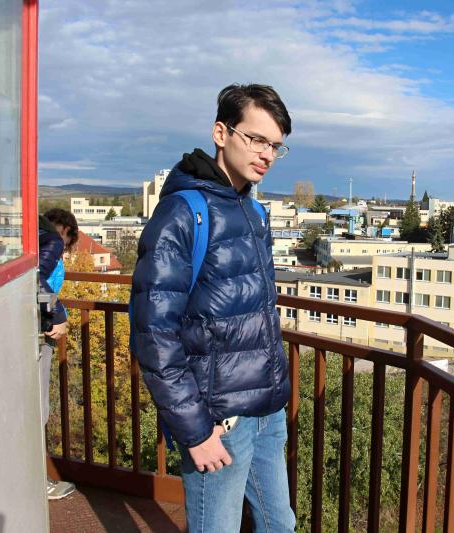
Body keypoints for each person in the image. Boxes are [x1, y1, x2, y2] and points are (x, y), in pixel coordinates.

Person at [130, 84, 296, 532]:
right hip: (218, 420)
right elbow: (153, 334)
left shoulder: (253, 211)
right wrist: (195, 430)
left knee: (280, 525)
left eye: (275, 146)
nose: (266, 155)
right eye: (256, 139)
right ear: (221, 133)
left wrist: (275, 398)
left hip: (266, 411)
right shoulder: (183, 214)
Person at [38, 208, 79, 500]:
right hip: (40, 333)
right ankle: (36, 481)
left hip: (36, 331)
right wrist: (57, 314)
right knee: (37, 408)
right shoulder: (50, 243)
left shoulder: (38, 242)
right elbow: (36, 283)